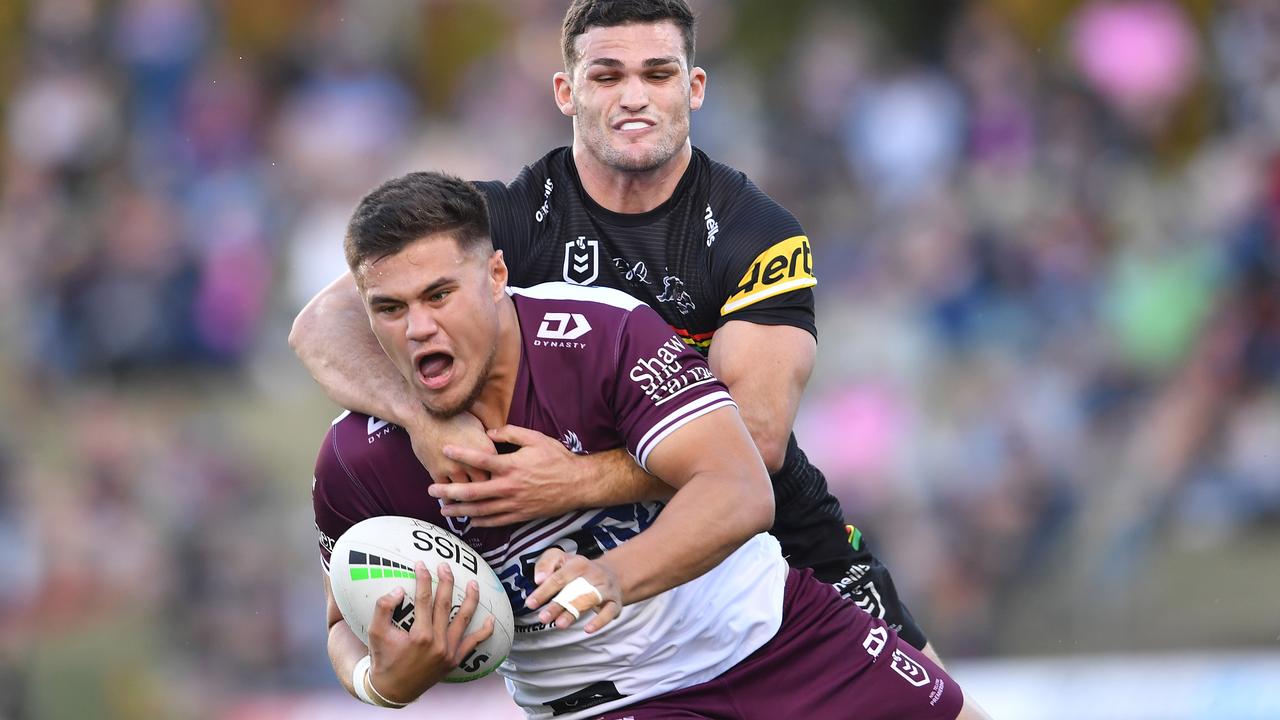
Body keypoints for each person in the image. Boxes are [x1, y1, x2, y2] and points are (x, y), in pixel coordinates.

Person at [291, 0, 941, 664]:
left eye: (658, 75)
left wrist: (575, 481)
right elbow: (321, 325)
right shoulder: (507, 221)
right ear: (566, 92)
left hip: (775, 546)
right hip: (615, 596)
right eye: (607, 76)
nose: (634, 97)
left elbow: (757, 440)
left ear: (694, 88)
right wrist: (424, 422)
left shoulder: (754, 233)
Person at [313, 170, 985, 719]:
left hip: (777, 636)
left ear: (494, 277)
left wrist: (612, 575)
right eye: (390, 309)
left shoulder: (600, 334)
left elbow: (742, 487)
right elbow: (343, 624)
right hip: (609, 705)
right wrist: (381, 683)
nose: (419, 328)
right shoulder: (357, 462)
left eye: (439, 295)